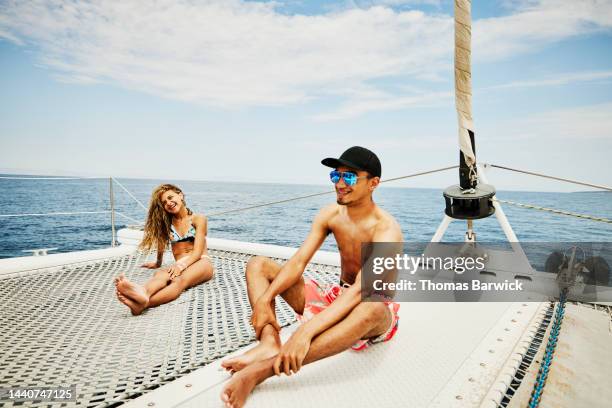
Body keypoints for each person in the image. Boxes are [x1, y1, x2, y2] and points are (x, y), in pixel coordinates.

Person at [220, 146, 403, 408]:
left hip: (370, 305)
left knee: (371, 307)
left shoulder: (387, 230)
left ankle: (262, 371)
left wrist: (305, 331)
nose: (340, 183)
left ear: (373, 183)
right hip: (336, 297)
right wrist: (265, 300)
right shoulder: (330, 214)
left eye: (349, 177)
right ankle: (269, 342)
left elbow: (360, 292)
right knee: (258, 265)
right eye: (335, 176)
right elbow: (298, 262)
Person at [115, 184, 214, 315]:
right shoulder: (167, 224)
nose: (169, 202)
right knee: (160, 275)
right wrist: (158, 263)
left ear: (180, 195)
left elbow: (197, 252)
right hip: (180, 263)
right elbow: (161, 244)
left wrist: (180, 267)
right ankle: (144, 292)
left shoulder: (198, 219)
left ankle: (145, 303)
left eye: (170, 197)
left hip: (201, 261)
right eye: (164, 202)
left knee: (178, 280)